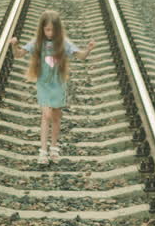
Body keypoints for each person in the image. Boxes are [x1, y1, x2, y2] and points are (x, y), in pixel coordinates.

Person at [7, 10, 96, 164]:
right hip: (44, 84)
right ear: (42, 29)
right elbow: (19, 54)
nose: (50, 32)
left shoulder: (63, 43)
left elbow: (80, 55)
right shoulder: (37, 42)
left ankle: (54, 147)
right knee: (46, 114)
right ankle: (43, 151)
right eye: (47, 29)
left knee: (56, 116)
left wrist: (88, 49)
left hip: (58, 83)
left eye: (53, 29)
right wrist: (14, 46)